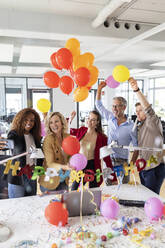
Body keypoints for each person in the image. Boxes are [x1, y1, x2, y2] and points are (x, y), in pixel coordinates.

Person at [95, 81, 138, 183]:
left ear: (124, 107)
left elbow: (136, 148)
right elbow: (98, 105)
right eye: (113, 106)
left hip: (123, 161)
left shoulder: (131, 126)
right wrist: (99, 89)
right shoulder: (110, 117)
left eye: (117, 106)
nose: (114, 109)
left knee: (125, 188)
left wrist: (130, 165)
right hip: (108, 159)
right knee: (109, 186)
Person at [128, 77, 165, 194]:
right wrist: (132, 164)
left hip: (155, 168)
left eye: (140, 110)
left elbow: (148, 109)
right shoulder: (140, 126)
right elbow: (138, 148)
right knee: (146, 199)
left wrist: (136, 90)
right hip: (144, 168)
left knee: (152, 199)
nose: (137, 113)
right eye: (136, 111)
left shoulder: (152, 121)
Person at [70, 110, 115, 190]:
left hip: (93, 166)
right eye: (88, 118)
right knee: (74, 189)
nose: (89, 121)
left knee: (94, 191)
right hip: (80, 165)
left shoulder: (102, 138)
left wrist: (114, 178)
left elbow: (107, 159)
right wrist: (70, 119)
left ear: (97, 122)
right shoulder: (81, 130)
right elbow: (67, 131)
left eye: (93, 120)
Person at [7, 108, 42, 198]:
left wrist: (38, 172)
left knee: (30, 204)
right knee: (16, 205)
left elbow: (39, 157)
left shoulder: (34, 136)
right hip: (17, 175)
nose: (29, 122)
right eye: (25, 120)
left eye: (32, 120)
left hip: (31, 175)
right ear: (20, 120)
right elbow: (11, 144)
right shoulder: (14, 134)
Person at [39, 112, 71, 193]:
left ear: (62, 122)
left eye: (56, 121)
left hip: (64, 180)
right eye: (51, 122)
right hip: (49, 181)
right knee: (51, 205)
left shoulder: (68, 137)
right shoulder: (48, 139)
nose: (54, 125)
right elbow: (50, 163)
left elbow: (71, 155)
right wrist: (65, 167)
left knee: (63, 205)